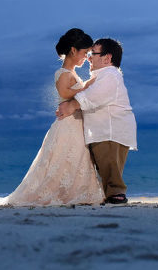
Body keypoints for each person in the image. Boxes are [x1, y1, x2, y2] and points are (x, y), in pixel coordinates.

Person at [2, 28, 105, 206]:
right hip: (68, 124)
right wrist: (89, 85)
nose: (86, 57)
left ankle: (76, 191)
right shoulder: (64, 73)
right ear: (73, 50)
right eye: (84, 52)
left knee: (74, 159)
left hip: (76, 122)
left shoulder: (72, 73)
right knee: (64, 160)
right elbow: (64, 92)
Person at [56, 38, 137, 204]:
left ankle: (116, 193)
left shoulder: (110, 75)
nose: (89, 58)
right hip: (104, 130)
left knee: (110, 164)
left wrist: (72, 105)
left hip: (110, 130)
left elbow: (95, 96)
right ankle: (110, 193)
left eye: (93, 54)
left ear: (107, 58)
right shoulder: (101, 76)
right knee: (105, 164)